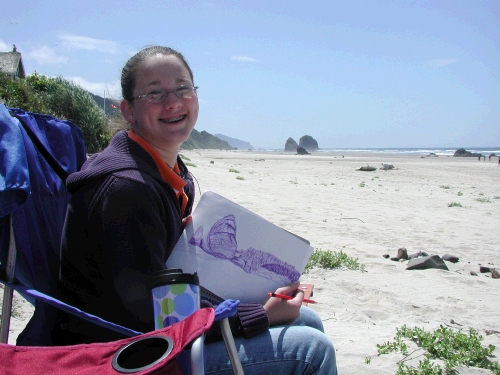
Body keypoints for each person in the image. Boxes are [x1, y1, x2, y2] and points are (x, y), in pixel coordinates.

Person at [42, 46, 337, 374]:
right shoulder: (125, 188)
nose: (173, 102)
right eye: (155, 93)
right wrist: (261, 314)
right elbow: (152, 317)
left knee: (306, 317)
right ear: (129, 110)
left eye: (183, 88)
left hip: (153, 329)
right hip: (120, 353)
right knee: (312, 350)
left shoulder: (170, 174)